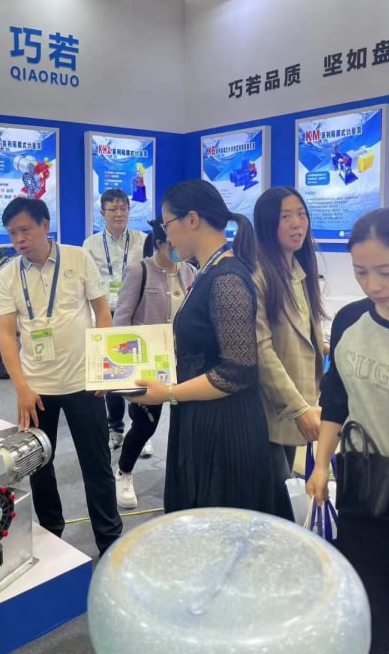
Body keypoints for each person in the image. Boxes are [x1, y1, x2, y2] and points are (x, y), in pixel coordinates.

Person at [130, 179, 273, 514]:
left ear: (192, 219)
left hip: (223, 430)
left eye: (167, 224)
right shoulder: (208, 271)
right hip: (202, 418)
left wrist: (168, 393)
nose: (167, 236)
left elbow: (237, 372)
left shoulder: (226, 278)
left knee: (217, 523)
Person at [0, 197, 122, 556]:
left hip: (84, 383)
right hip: (36, 389)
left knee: (96, 464)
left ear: (44, 226)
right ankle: (52, 531)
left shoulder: (78, 259)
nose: (19, 239)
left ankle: (109, 540)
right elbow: (7, 335)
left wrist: (102, 370)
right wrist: (21, 388)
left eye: (24, 229)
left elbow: (102, 313)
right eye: (12, 233)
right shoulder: (8, 275)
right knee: (38, 464)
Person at [307, 207, 389, 654]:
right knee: (368, 592)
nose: (373, 285)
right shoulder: (350, 320)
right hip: (364, 477)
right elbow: (336, 398)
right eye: (361, 272)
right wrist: (321, 464)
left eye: (386, 271)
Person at [112, 219, 196, 509]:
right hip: (148, 364)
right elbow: (121, 321)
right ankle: (124, 472)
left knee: (185, 424)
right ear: (159, 244)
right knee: (145, 426)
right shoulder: (140, 271)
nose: (178, 248)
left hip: (184, 363)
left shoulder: (190, 272)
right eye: (171, 243)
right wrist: (124, 373)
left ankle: (181, 479)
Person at [253, 187, 325, 520]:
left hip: (299, 402)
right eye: (286, 217)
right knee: (277, 503)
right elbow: (262, 350)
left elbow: (302, 333)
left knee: (286, 493)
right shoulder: (258, 274)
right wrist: (298, 407)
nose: (298, 223)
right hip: (271, 408)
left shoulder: (299, 270)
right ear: (268, 223)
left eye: (301, 214)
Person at [83, 189, 147, 451]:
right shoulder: (90, 245)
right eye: (113, 209)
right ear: (103, 213)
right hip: (106, 314)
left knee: (139, 372)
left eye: (123, 208)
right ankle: (116, 428)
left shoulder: (143, 240)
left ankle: (141, 432)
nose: (119, 214)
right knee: (112, 373)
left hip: (136, 313)